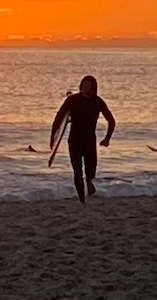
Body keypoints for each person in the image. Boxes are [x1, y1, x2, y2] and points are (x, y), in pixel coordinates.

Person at [50, 75, 116, 204]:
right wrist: (53, 137)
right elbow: (59, 118)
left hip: (90, 141)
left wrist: (107, 138)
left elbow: (111, 121)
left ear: (93, 88)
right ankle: (82, 200)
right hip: (74, 141)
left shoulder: (98, 102)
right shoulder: (72, 100)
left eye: (88, 86)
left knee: (90, 171)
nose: (85, 89)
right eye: (84, 86)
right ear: (81, 86)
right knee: (77, 171)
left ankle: (89, 181)